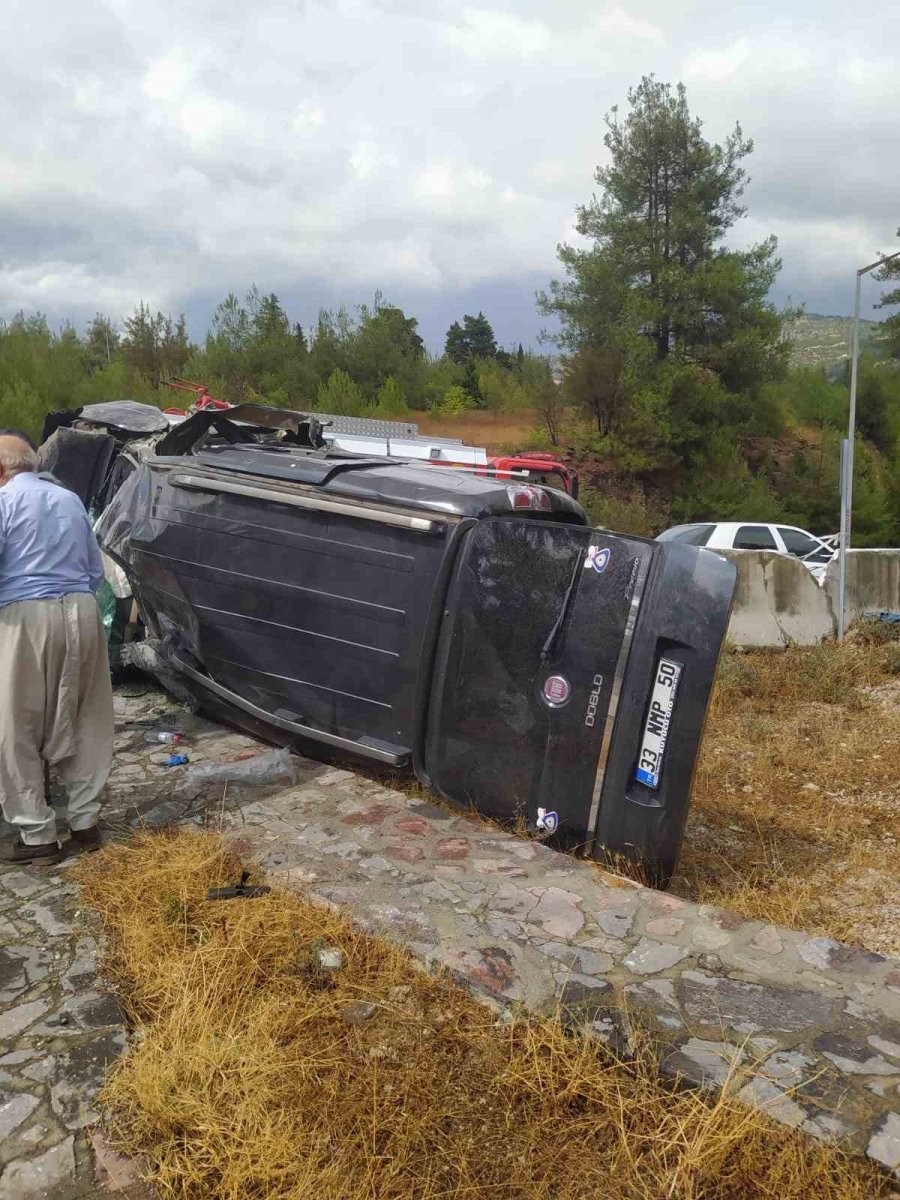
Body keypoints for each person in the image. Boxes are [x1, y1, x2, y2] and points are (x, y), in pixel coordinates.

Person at [0, 433, 114, 864]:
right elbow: (94, 571)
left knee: (17, 724)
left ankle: (37, 835)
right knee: (87, 717)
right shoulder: (69, 500)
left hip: (24, 613)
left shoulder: (4, 501)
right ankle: (85, 822)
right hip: (82, 609)